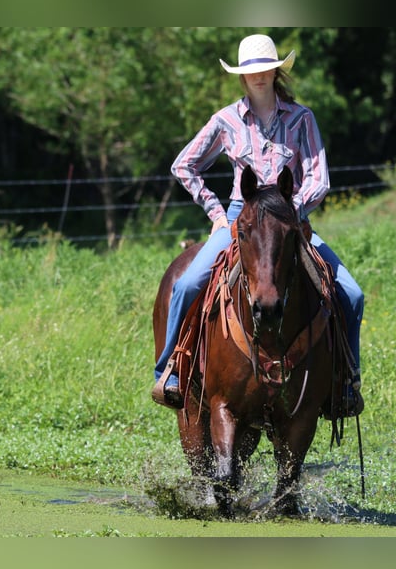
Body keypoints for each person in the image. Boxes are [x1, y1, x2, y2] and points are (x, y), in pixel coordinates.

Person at [153, 34, 364, 414]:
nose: (259, 76)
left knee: (351, 294)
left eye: (265, 68)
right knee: (186, 284)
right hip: (241, 221)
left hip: (289, 223)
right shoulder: (227, 120)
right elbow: (184, 165)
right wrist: (217, 214)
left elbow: (319, 179)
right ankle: (170, 369)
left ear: (276, 70)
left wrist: (290, 212)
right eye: (251, 71)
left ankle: (346, 382)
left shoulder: (302, 119)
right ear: (242, 76)